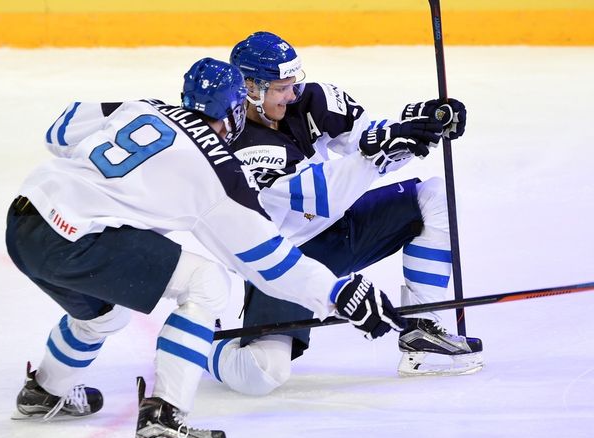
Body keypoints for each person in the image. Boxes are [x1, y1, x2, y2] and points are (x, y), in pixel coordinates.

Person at [5, 57, 406, 438]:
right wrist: (336, 293)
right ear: (235, 110)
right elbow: (268, 262)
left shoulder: (143, 106)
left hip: (25, 219)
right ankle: (164, 422)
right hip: (77, 238)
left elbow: (60, 130)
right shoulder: (218, 171)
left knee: (106, 312)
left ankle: (45, 391)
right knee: (208, 282)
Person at [207, 32, 484, 397]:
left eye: (293, 84)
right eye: (280, 88)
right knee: (259, 374)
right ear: (249, 88)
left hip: (344, 231)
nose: (291, 95)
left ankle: (420, 328)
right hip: (284, 260)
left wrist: (423, 127)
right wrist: (378, 151)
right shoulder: (241, 145)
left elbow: (367, 138)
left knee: (435, 196)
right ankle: (206, 346)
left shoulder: (314, 99)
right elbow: (323, 196)